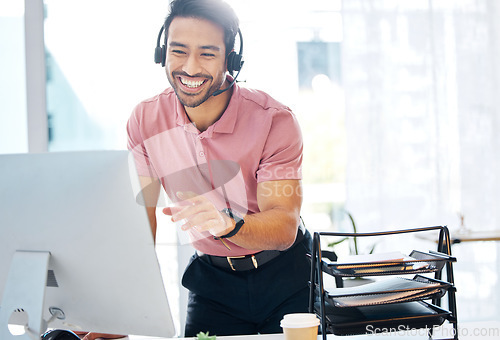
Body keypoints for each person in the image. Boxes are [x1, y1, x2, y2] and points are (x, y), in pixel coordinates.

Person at [127, 0, 312, 337]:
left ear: (231, 59)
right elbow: (142, 225)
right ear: (162, 52)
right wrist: (118, 315)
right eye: (178, 51)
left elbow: (284, 226)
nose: (190, 68)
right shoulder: (145, 121)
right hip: (212, 285)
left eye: (207, 54)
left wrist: (227, 224)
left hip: (287, 279)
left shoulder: (274, 120)